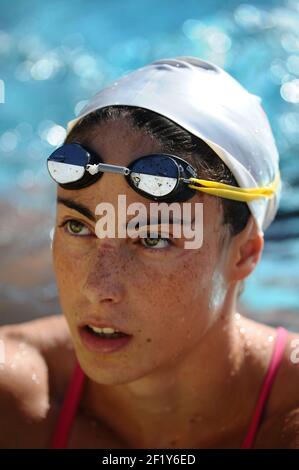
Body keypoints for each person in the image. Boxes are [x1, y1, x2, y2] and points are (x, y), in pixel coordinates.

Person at [0, 56, 299, 449]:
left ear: (244, 254)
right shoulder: (14, 396)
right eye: (78, 227)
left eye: (154, 238)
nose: (97, 287)